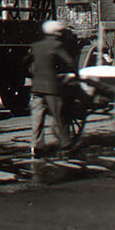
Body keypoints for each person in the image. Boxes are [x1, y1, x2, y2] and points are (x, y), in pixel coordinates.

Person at [29, 18, 78, 156]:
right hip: (51, 88)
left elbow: (26, 62)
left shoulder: (36, 46)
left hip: (37, 87)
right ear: (56, 33)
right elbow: (69, 61)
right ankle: (66, 143)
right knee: (59, 115)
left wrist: (33, 73)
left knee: (37, 117)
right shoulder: (56, 45)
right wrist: (76, 74)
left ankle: (36, 145)